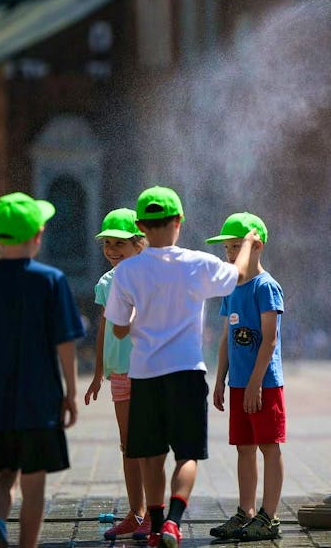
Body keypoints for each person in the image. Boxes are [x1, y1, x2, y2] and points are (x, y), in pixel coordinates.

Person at [104, 187, 261, 548]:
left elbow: (118, 326)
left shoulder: (128, 271)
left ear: (141, 226)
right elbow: (236, 277)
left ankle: (156, 528)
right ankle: (174, 522)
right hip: (187, 371)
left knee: (150, 456)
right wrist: (249, 243)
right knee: (187, 454)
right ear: (178, 222)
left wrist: (136, 315)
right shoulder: (196, 263)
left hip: (144, 373)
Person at [0, 193, 84, 548]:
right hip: (41, 401)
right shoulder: (52, 280)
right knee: (33, 481)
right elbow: (65, 343)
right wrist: (71, 393)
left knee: (2, 474)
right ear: (39, 235)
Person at [207, 212, 286, 542]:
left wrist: (255, 382)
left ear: (257, 247)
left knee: (269, 446)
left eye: (237, 246)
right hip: (239, 383)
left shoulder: (266, 286)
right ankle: (246, 511)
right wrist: (220, 379)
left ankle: (269, 515)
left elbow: (269, 338)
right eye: (227, 248)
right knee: (243, 448)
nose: (230, 254)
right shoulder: (231, 287)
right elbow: (226, 336)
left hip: (264, 384)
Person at [82, 208, 150, 541]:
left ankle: (154, 512)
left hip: (148, 371)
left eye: (119, 243)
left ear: (140, 244)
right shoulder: (105, 283)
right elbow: (104, 329)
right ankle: (136, 513)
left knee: (147, 444)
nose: (111, 250)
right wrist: (97, 373)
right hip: (120, 374)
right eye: (107, 243)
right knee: (128, 445)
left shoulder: (150, 278)